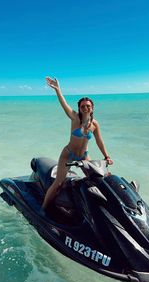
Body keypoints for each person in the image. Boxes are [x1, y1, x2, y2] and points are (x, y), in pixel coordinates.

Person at [42, 77, 113, 209]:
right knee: (58, 183)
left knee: (98, 179)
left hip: (84, 156)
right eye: (83, 106)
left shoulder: (95, 124)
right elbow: (64, 104)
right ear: (79, 108)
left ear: (92, 108)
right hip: (68, 155)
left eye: (88, 106)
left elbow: (99, 141)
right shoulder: (74, 117)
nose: (85, 108)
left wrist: (106, 156)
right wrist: (58, 89)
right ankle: (43, 209)